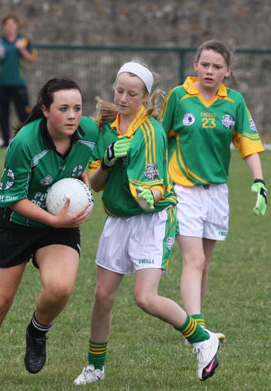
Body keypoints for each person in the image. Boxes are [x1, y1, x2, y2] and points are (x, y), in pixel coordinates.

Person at [73, 61, 221, 385]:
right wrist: (108, 160)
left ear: (145, 97)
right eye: (119, 90)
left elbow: (150, 188)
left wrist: (149, 196)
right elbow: (96, 185)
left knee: (146, 298)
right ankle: (95, 367)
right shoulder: (106, 128)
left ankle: (202, 338)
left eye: (132, 93)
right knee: (102, 297)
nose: (123, 98)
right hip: (117, 220)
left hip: (152, 220)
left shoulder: (150, 131)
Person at [0, 77, 99, 384]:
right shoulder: (24, 143)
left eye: (77, 107)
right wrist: (55, 220)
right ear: (45, 110)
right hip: (16, 224)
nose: (73, 115)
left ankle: (38, 330)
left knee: (60, 287)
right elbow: (12, 198)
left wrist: (79, 180)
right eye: (64, 108)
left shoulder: (89, 132)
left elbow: (88, 158)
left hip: (59, 225)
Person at [161, 40, 267, 338]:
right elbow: (158, 137)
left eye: (217, 66)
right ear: (195, 66)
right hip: (182, 190)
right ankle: (198, 332)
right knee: (194, 260)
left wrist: (259, 181)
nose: (209, 71)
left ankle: (197, 325)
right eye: (204, 64)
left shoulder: (234, 102)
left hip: (217, 193)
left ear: (228, 71)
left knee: (204, 264)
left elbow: (247, 142)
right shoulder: (179, 97)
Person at [0, 13, 37, 148]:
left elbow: (32, 59)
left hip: (18, 83)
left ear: (17, 26)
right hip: (1, 84)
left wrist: (21, 49)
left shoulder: (24, 41)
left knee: (24, 113)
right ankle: (5, 142)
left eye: (13, 24)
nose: (10, 27)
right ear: (4, 26)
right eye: (7, 24)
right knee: (3, 114)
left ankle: (27, 140)